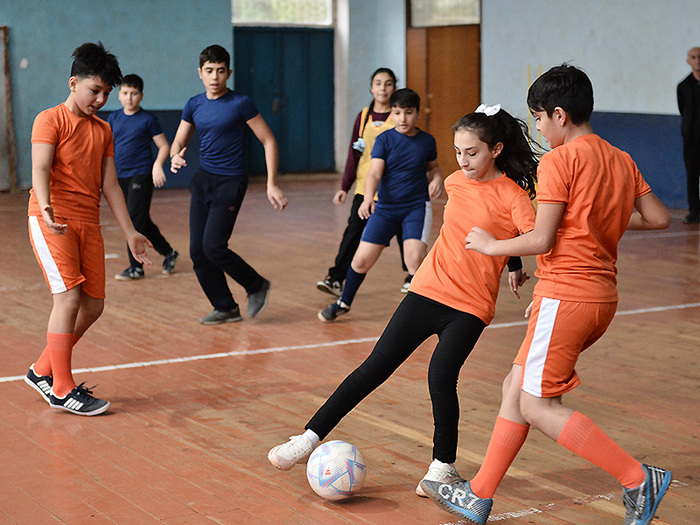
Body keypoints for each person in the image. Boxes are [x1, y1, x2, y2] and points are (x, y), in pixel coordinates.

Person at [420, 65, 672, 525]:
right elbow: (658, 218)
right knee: (514, 389)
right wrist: (599, 221)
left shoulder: (560, 161)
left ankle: (637, 478)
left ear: (559, 115)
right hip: (600, 298)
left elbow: (540, 240)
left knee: (537, 405)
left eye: (538, 118)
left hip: (568, 295)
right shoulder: (620, 158)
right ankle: (478, 495)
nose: (537, 128)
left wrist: (493, 246)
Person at [268, 104, 538, 498]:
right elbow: (481, 226)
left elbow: (534, 237)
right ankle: (307, 438)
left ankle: (441, 468)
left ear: (495, 149)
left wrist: (510, 258)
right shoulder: (456, 182)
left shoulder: (514, 194)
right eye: (458, 152)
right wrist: (509, 259)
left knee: (441, 377)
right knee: (374, 367)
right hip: (428, 289)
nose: (463, 161)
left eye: (472, 153)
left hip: (471, 307)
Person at [24, 42, 152, 416]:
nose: (99, 99)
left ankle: (41, 370)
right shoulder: (49, 119)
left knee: (93, 305)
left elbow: (110, 185)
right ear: (73, 82)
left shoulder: (103, 130)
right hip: (53, 220)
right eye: (94, 90)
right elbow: (41, 168)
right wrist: (46, 207)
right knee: (68, 298)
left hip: (87, 222)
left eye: (105, 93)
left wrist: (130, 232)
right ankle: (61, 388)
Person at [169, 44, 287, 325]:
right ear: (200, 73)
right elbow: (179, 140)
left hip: (231, 182)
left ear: (229, 73)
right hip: (203, 180)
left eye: (221, 71)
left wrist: (272, 183)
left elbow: (268, 140)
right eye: (209, 71)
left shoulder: (240, 103)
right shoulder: (194, 104)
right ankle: (225, 307)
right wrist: (175, 156)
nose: (215, 77)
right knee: (198, 252)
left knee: (214, 246)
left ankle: (255, 284)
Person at [317, 88, 443, 322]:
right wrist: (367, 198)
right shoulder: (384, 139)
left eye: (408, 112)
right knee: (361, 260)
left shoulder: (426, 141)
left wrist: (436, 179)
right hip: (385, 208)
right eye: (397, 112)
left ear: (417, 114)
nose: (402, 118)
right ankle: (343, 302)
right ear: (391, 114)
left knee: (414, 258)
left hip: (416, 207)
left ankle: (420, 311)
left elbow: (433, 167)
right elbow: (374, 173)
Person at [316, 68, 409, 297]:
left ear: (394, 87)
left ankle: (413, 275)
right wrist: (344, 187)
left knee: (404, 233)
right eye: (378, 83)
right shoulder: (364, 116)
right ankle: (336, 277)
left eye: (388, 84)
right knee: (353, 231)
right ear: (371, 87)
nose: (383, 88)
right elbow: (353, 153)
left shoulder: (399, 116)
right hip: (365, 186)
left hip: (394, 189)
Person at [108, 74, 179, 280]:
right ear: (119, 95)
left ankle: (136, 268)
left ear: (141, 96)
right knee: (143, 221)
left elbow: (164, 145)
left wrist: (158, 165)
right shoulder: (114, 118)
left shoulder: (148, 119)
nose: (129, 97)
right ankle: (169, 252)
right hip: (119, 177)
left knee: (132, 220)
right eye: (125, 93)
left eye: (134, 93)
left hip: (141, 174)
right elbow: (107, 146)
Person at [677, 46, 700, 224]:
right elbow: (683, 110)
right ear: (688, 61)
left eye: (699, 56)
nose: (697, 60)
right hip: (691, 139)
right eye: (693, 57)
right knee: (692, 175)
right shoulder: (683, 86)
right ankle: (694, 211)